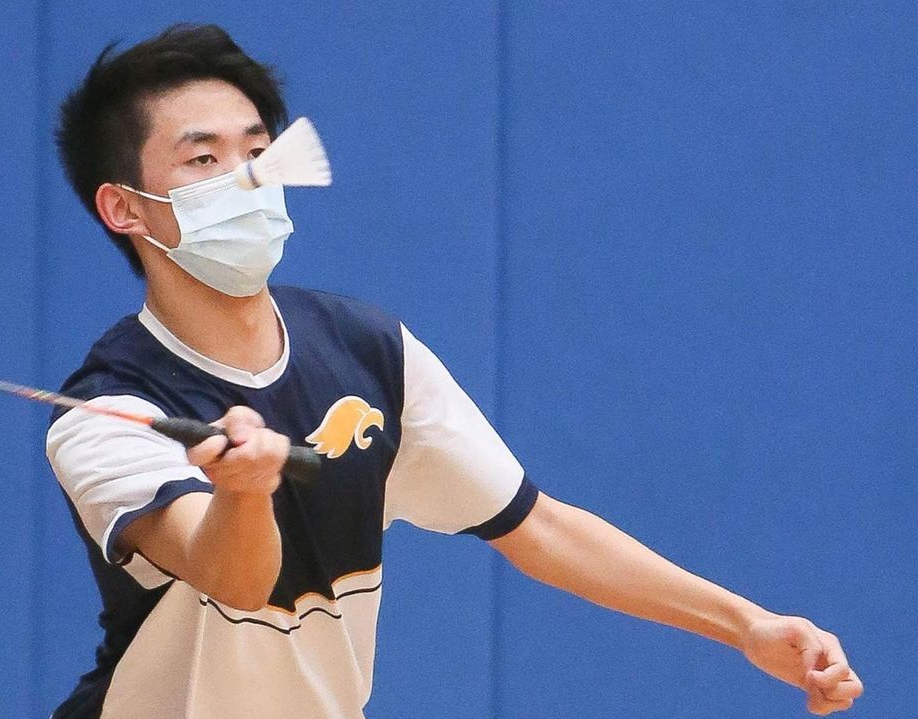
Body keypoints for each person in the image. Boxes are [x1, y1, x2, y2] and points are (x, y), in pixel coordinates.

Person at [45, 23, 863, 719]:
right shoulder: (106, 411)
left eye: (258, 151)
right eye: (203, 159)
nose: (247, 179)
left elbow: (537, 526)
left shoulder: (367, 350)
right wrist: (243, 491)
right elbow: (237, 578)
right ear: (124, 207)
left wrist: (746, 625)